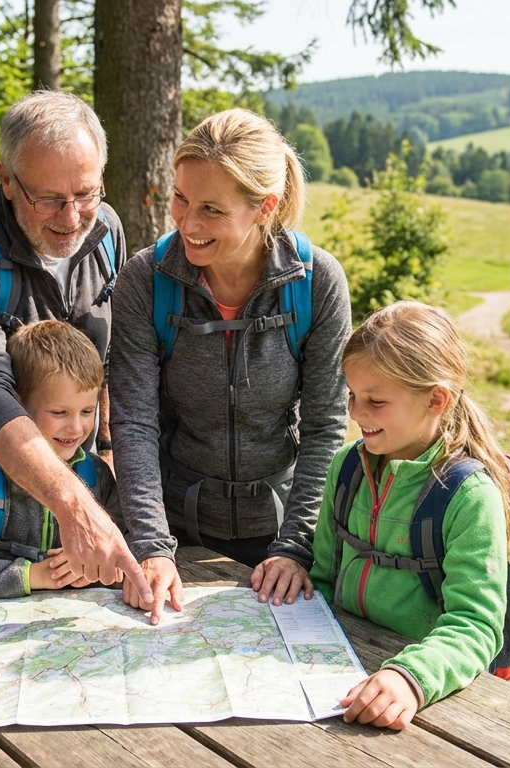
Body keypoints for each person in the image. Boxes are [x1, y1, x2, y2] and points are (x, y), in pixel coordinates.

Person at [108, 108, 352, 624]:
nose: (188, 223)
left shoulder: (317, 282)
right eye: (181, 198)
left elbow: (326, 426)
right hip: (176, 532)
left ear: (264, 207)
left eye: (212, 210)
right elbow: (133, 423)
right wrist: (152, 546)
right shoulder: (144, 282)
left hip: (283, 533)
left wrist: (297, 546)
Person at [0, 90, 146, 596]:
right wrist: (75, 505)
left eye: (86, 194)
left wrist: (101, 454)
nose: (71, 218)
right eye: (47, 199)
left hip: (77, 477)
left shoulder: (106, 231)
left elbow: (103, 360)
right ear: (5, 179)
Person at [311, 301, 510, 730]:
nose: (356, 412)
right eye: (351, 395)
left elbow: (476, 625)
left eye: (376, 400)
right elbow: (323, 578)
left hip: (421, 700)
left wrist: (410, 678)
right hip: (336, 679)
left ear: (436, 399)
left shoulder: (469, 496)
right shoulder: (346, 468)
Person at [0, 320, 123, 600]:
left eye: (87, 411)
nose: (76, 428)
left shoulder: (98, 477)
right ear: (15, 404)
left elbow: (129, 557)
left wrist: (98, 562)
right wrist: (37, 574)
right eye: (59, 413)